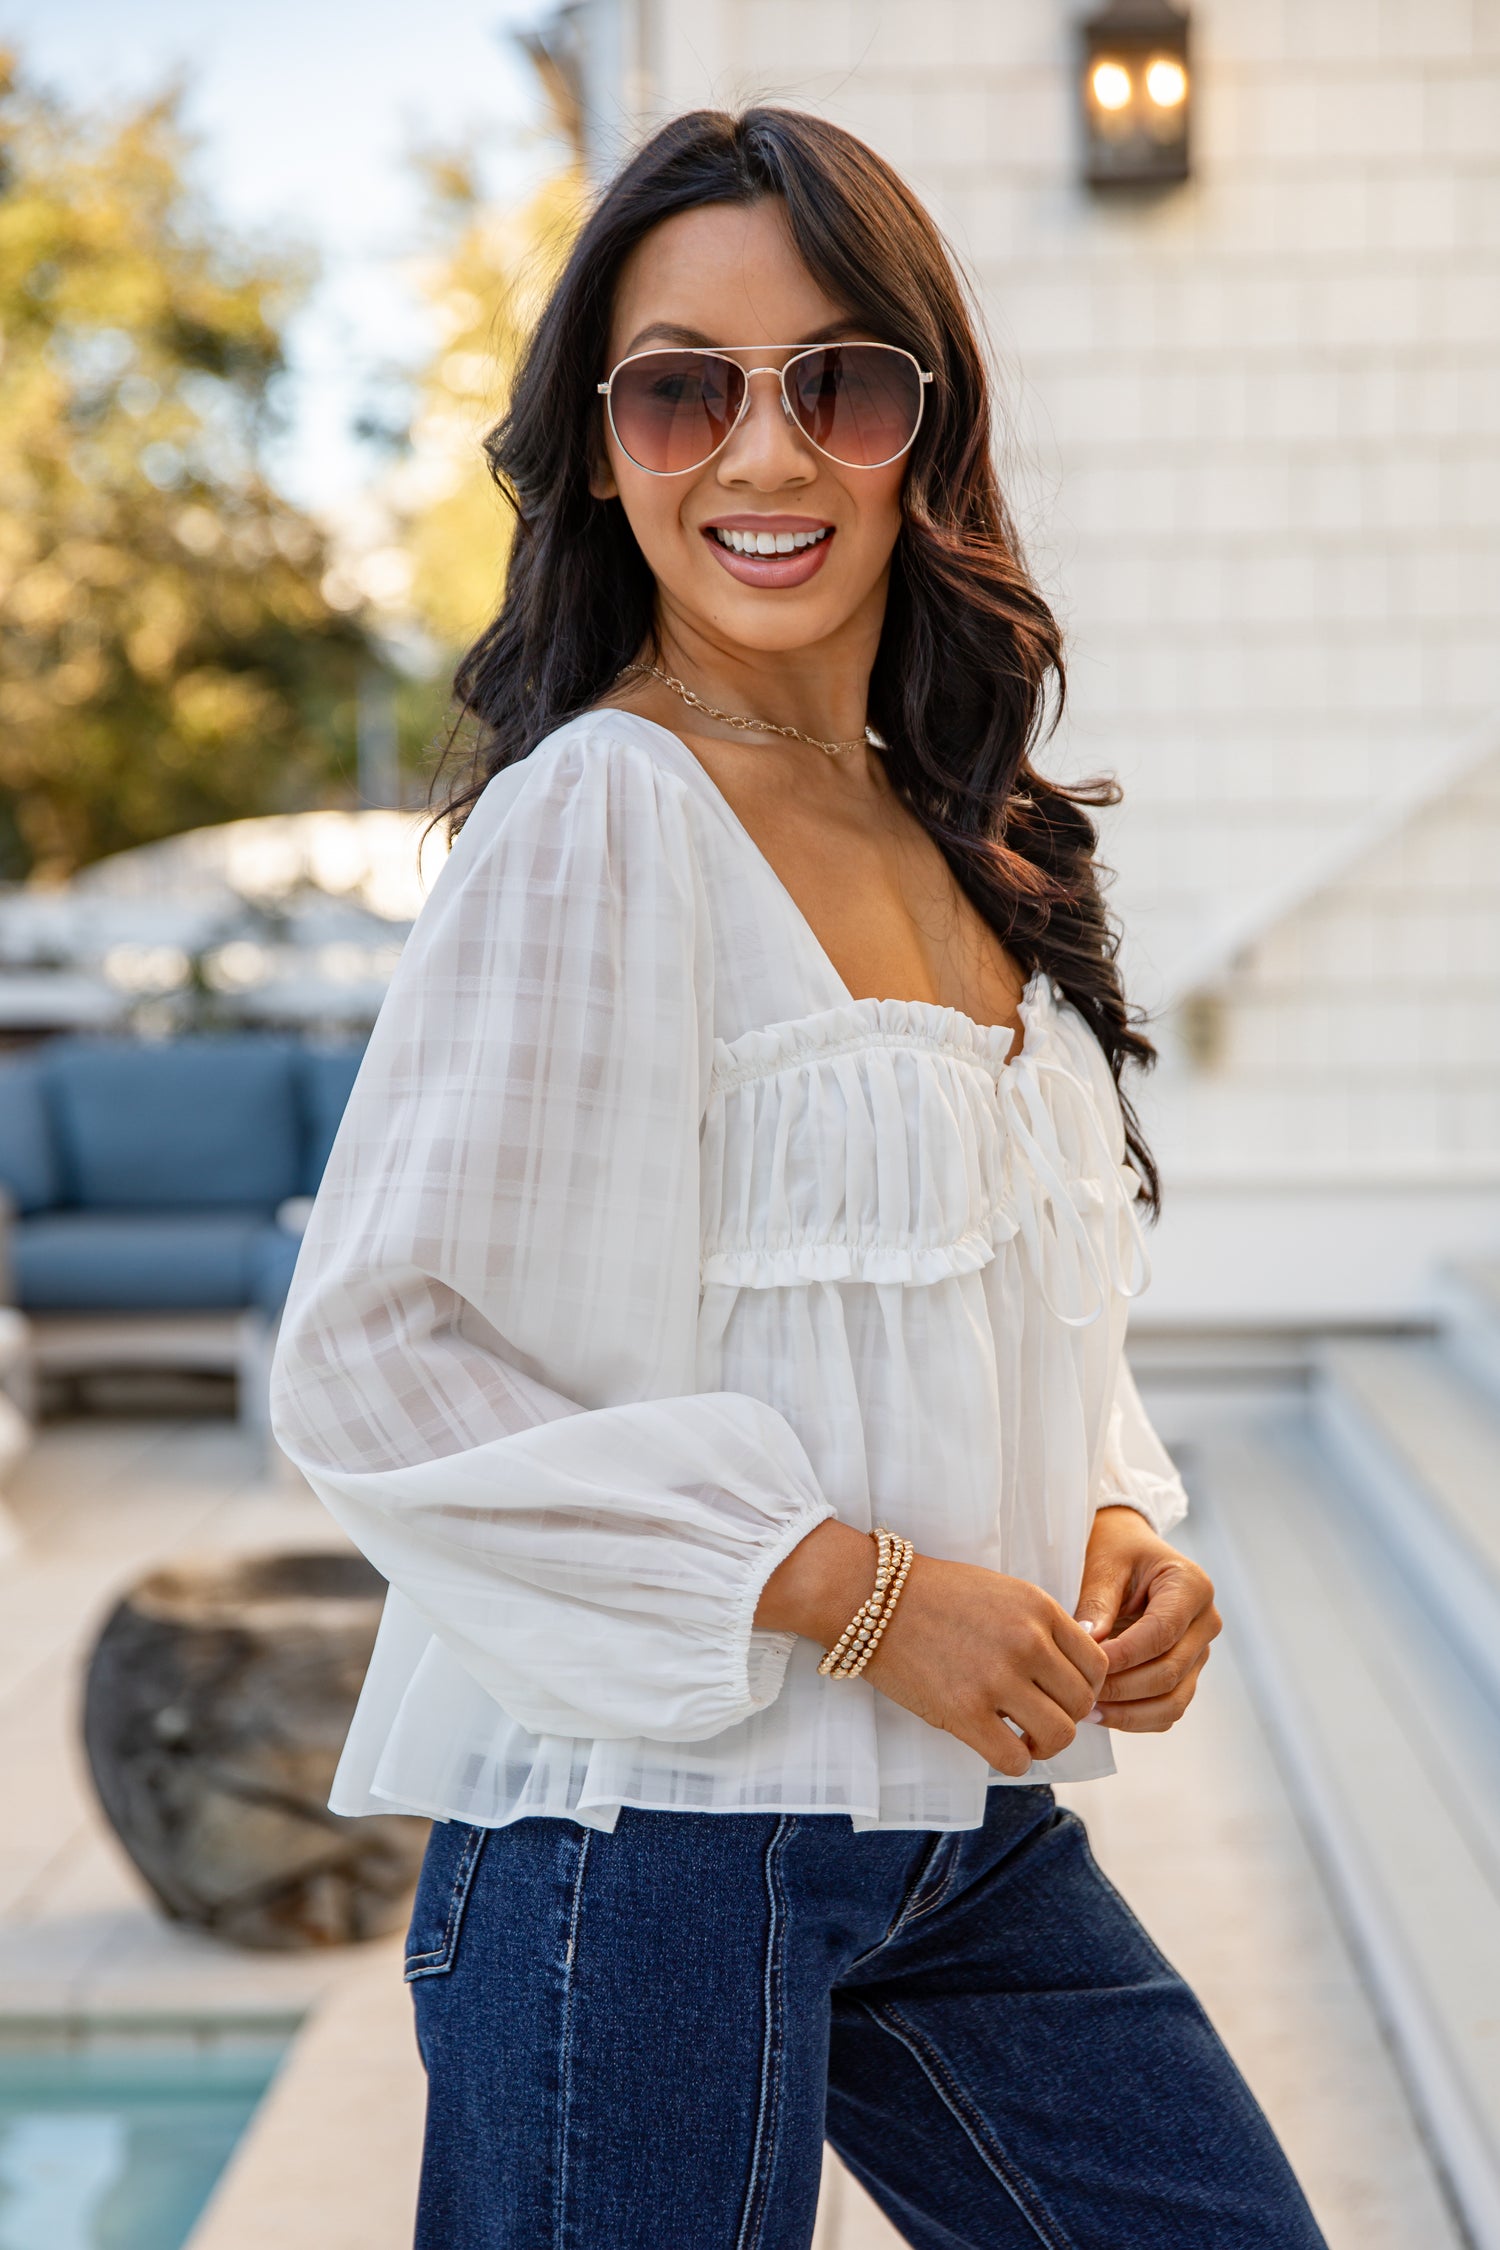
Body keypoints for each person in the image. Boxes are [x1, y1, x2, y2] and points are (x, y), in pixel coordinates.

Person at [270, 105, 1328, 2250]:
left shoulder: (960, 822)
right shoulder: (603, 817)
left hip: (963, 1829)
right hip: (642, 1856)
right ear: (596, 444)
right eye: (681, 389)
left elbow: (994, 1304)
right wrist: (854, 1591)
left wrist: (1120, 1525)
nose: (760, 456)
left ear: (922, 430)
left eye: (834, 382)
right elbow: (380, 1365)